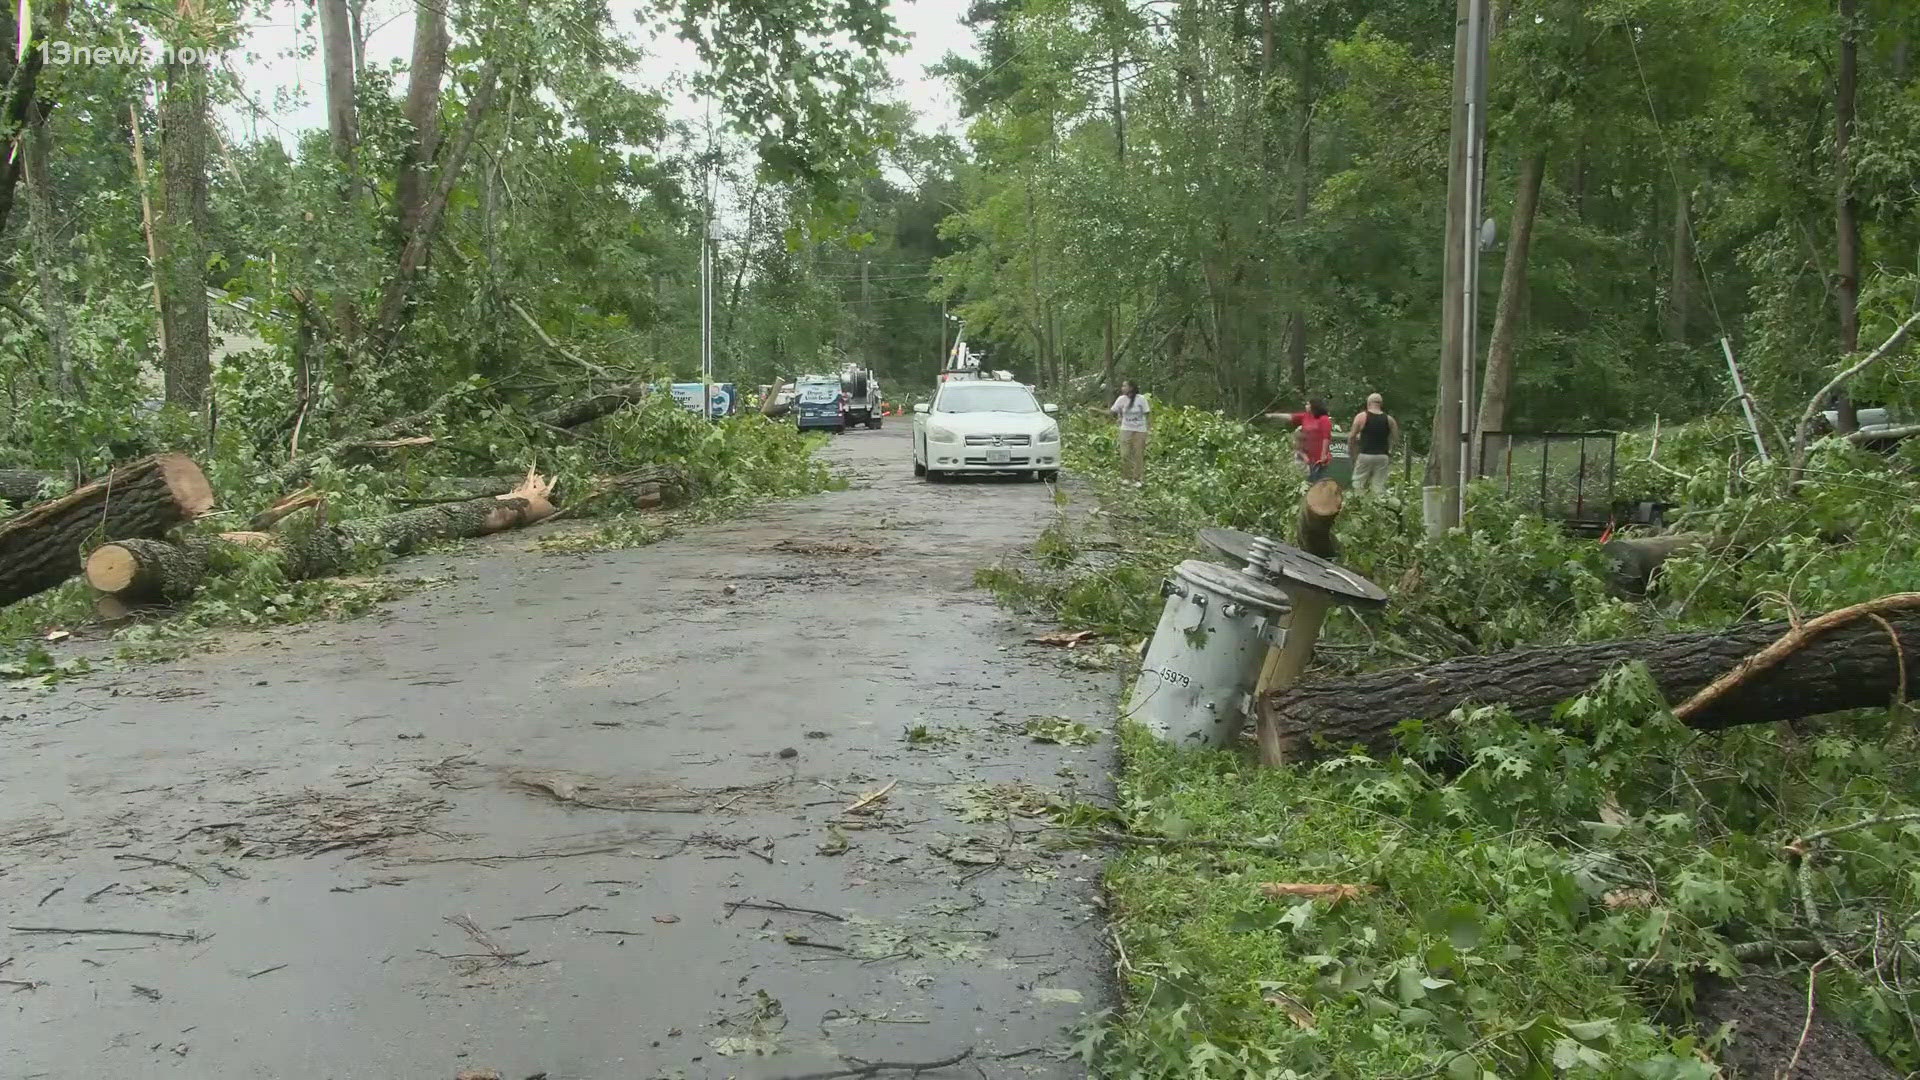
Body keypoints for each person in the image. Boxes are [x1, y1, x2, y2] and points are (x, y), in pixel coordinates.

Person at [1265, 400, 1334, 482]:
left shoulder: (1324, 419)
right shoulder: (1305, 416)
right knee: (1306, 481)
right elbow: (1289, 416)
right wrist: (1273, 415)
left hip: (1319, 458)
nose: (1306, 406)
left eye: (1308, 404)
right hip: (1307, 456)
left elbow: (1326, 437)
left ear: (1314, 406)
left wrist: (1323, 454)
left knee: (1317, 481)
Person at [1349, 392, 1398, 492]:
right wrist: (1390, 451)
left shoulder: (1361, 417)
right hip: (1382, 456)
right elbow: (1395, 438)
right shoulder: (1389, 419)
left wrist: (1353, 453)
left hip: (1365, 454)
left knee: (1358, 482)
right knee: (1379, 485)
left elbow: (1351, 437)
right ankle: (1378, 505)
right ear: (1381, 404)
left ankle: (1357, 503)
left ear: (1368, 403)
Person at [1109, 380, 1150, 485]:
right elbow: (1112, 411)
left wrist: (1149, 429)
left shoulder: (1141, 399)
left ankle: (1137, 478)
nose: (1122, 388)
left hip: (1140, 430)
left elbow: (1147, 414)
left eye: (1124, 386)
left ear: (1131, 387)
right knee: (1125, 454)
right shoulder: (1121, 399)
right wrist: (1097, 411)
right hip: (1126, 429)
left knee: (1138, 454)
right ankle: (1125, 477)